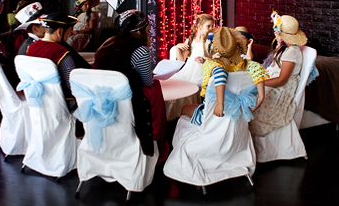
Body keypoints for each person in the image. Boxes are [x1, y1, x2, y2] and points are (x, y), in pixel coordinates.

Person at [94, 10, 167, 159]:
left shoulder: (108, 43)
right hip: (127, 99)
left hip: (102, 95)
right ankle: (156, 137)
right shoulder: (140, 49)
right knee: (154, 86)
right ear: (140, 31)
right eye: (147, 30)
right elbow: (146, 81)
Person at [181, 27, 267, 124]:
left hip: (210, 118)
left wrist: (220, 104)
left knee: (184, 108)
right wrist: (260, 98)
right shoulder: (249, 66)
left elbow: (220, 73)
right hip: (237, 118)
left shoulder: (211, 64)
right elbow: (258, 71)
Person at [248, 12, 308, 137]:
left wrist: (260, 82)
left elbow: (282, 80)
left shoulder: (292, 52)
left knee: (253, 96)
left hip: (281, 88)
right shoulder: (284, 48)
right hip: (273, 81)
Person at [25, 12, 92, 114]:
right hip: (63, 103)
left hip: (39, 100)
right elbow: (71, 84)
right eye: (68, 32)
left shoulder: (31, 47)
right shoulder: (61, 52)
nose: (68, 36)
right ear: (59, 32)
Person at [169, 13, 215, 85]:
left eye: (212, 26)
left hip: (201, 73)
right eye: (208, 26)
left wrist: (204, 61)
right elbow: (181, 61)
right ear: (199, 26)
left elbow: (214, 61)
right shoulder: (190, 41)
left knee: (194, 84)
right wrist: (177, 48)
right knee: (171, 81)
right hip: (188, 72)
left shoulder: (210, 42)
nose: (211, 29)